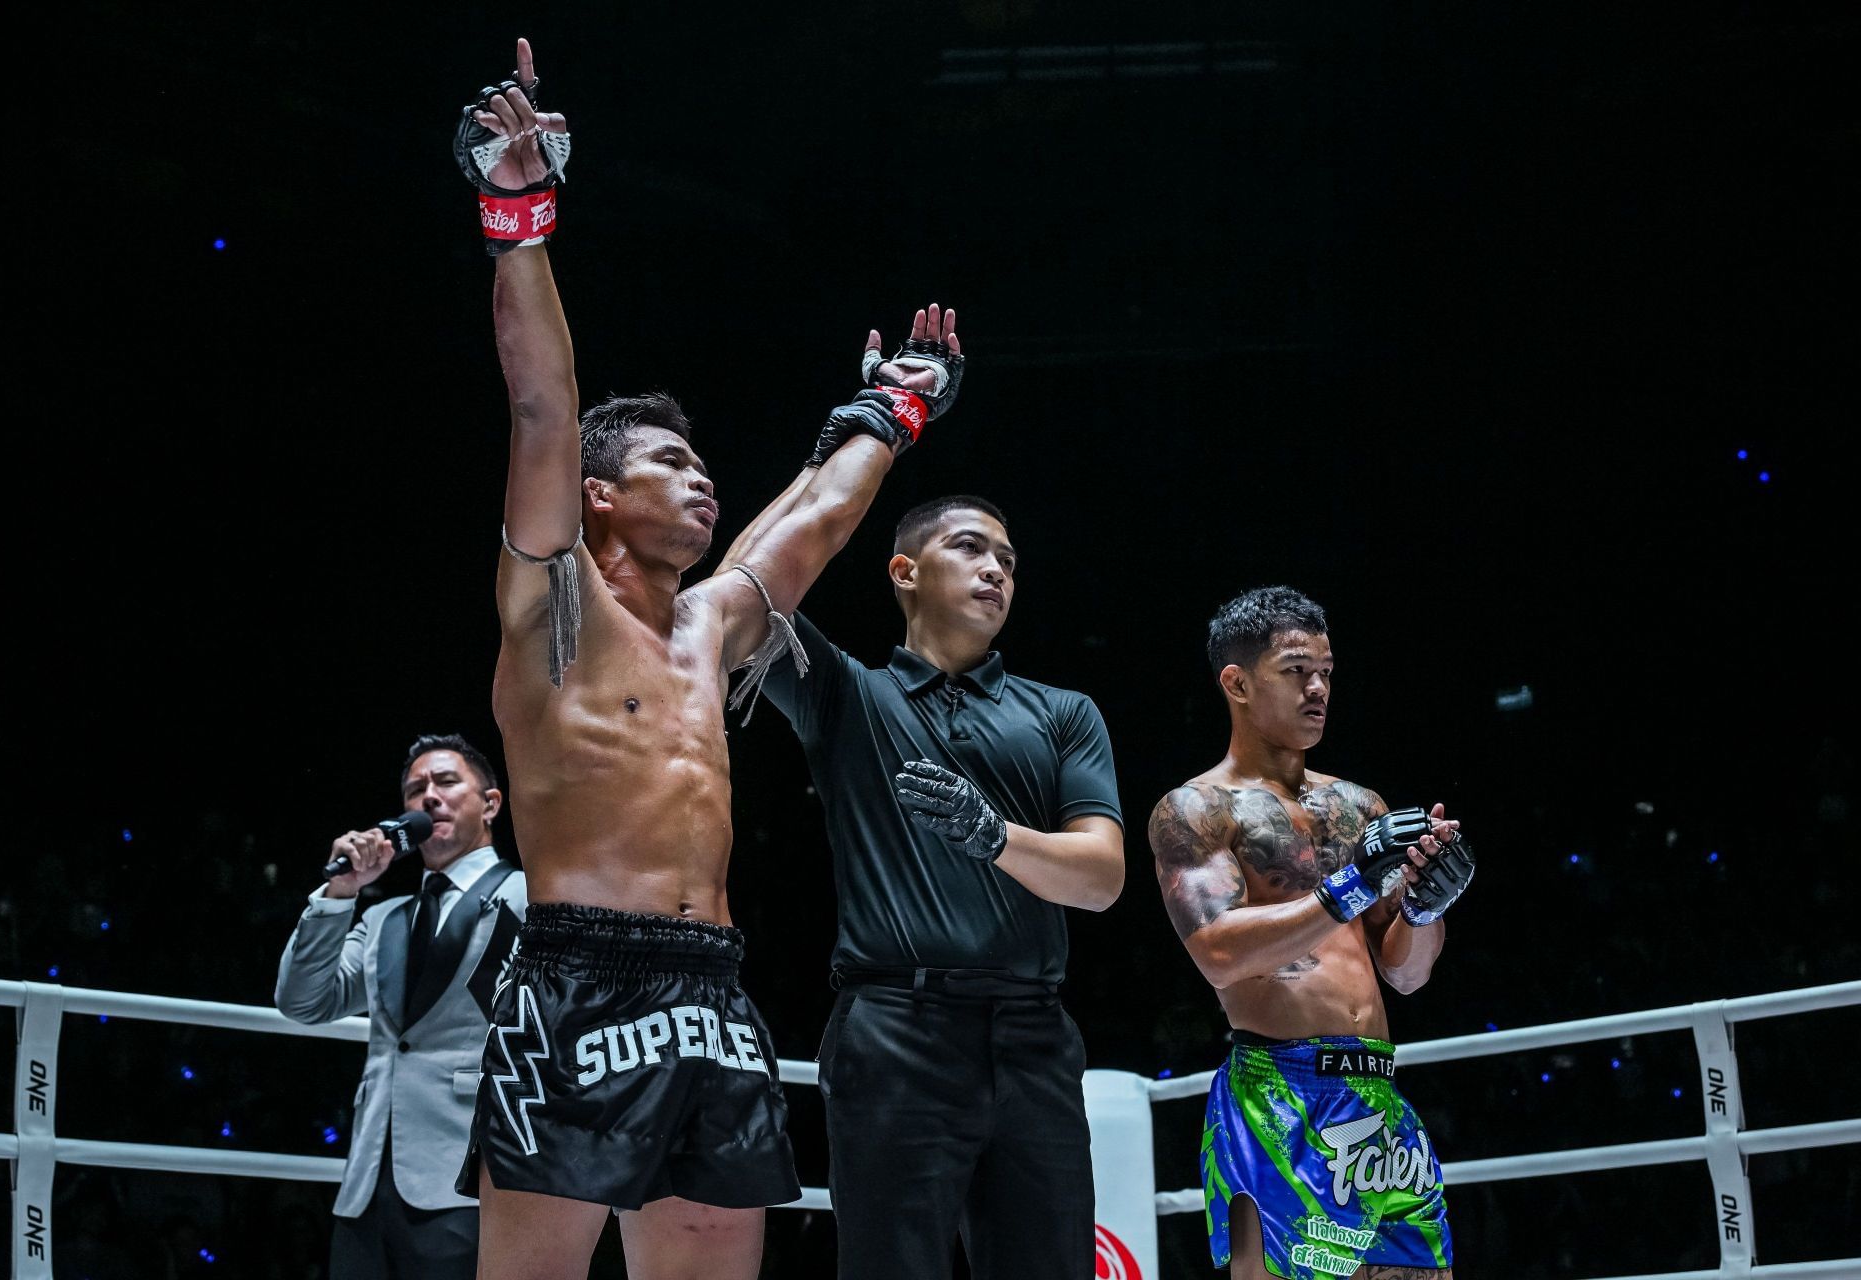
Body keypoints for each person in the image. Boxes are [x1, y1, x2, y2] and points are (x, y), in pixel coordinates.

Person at [449, 38, 968, 1279]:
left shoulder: (712, 626)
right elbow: (540, 401)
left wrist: (898, 407)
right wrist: (519, 219)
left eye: (703, 468)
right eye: (672, 466)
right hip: (576, 968)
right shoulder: (551, 599)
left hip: (712, 982)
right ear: (599, 496)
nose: (703, 480)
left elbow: (816, 520)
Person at [757, 494, 1125, 1279]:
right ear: (906, 571)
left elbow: (1101, 880)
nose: (996, 568)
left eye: (1008, 559)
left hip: (1035, 1036)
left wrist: (995, 836)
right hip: (895, 1031)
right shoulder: (847, 693)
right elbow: (744, 592)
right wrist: (848, 452)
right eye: (970, 548)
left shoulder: (1063, 713)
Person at [1147, 586, 1477, 1280]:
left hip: (1379, 1092)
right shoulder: (1196, 808)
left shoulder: (1360, 806)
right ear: (1236, 682)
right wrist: (1351, 883)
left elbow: (1407, 974)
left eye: (1326, 671)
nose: (1319, 687)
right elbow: (1219, 953)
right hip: (1279, 1095)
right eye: (1297, 671)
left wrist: (1424, 908)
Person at [275, 733, 528, 1280]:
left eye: (445, 782)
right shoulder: (383, 919)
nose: (428, 797)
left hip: (470, 1175)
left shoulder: (529, 897)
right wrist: (341, 893)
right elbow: (302, 1002)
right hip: (367, 1182)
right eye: (415, 790)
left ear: (490, 804)